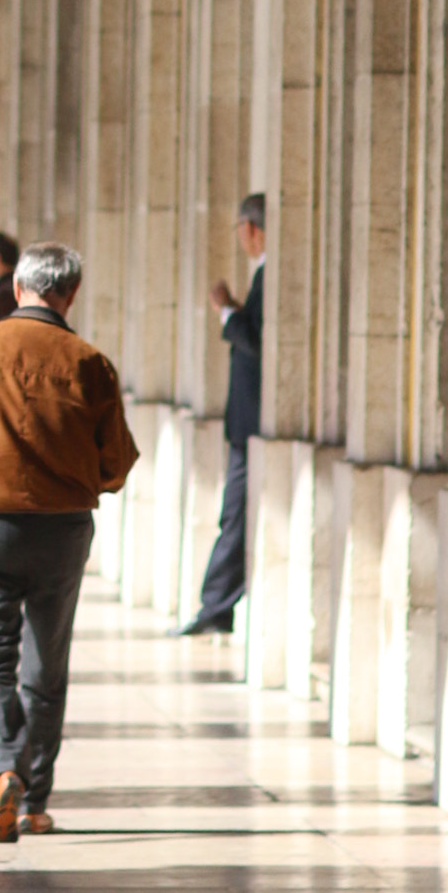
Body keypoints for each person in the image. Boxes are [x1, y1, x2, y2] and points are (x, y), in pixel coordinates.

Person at [0, 239, 136, 842]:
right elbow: (116, 463)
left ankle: (2, 770)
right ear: (72, 293)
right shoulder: (89, 362)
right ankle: (33, 799)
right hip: (61, 531)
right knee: (46, 664)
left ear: (17, 288)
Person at [180, 192, 266, 637]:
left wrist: (227, 310)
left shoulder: (269, 274)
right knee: (233, 513)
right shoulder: (262, 275)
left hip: (252, 424)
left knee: (234, 513)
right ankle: (217, 604)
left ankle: (216, 605)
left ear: (251, 228)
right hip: (246, 423)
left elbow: (258, 340)